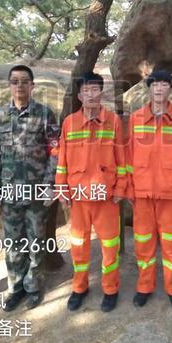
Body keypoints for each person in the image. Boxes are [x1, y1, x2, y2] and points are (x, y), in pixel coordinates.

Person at [0, 65, 59, 311]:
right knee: (14, 243)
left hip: (36, 191)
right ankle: (16, 288)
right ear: (9, 85)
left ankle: (33, 286)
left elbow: (55, 152)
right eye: (15, 81)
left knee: (36, 241)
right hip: (9, 193)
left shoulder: (45, 114)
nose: (19, 86)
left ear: (32, 86)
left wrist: (50, 185)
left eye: (24, 81)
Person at [56, 72, 127, 313]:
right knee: (79, 244)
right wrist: (61, 188)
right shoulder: (69, 123)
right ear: (79, 95)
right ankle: (79, 287)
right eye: (86, 91)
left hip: (106, 195)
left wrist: (120, 187)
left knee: (109, 245)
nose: (91, 95)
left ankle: (110, 289)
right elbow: (62, 161)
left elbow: (122, 157)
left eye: (95, 90)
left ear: (101, 93)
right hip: (78, 197)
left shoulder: (113, 121)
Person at [126, 70, 172, 310]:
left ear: (170, 89)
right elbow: (128, 157)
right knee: (143, 244)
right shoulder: (135, 119)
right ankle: (144, 287)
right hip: (142, 194)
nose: (159, 88)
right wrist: (129, 189)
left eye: (164, 84)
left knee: (170, 244)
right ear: (149, 88)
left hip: (171, 193)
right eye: (155, 84)